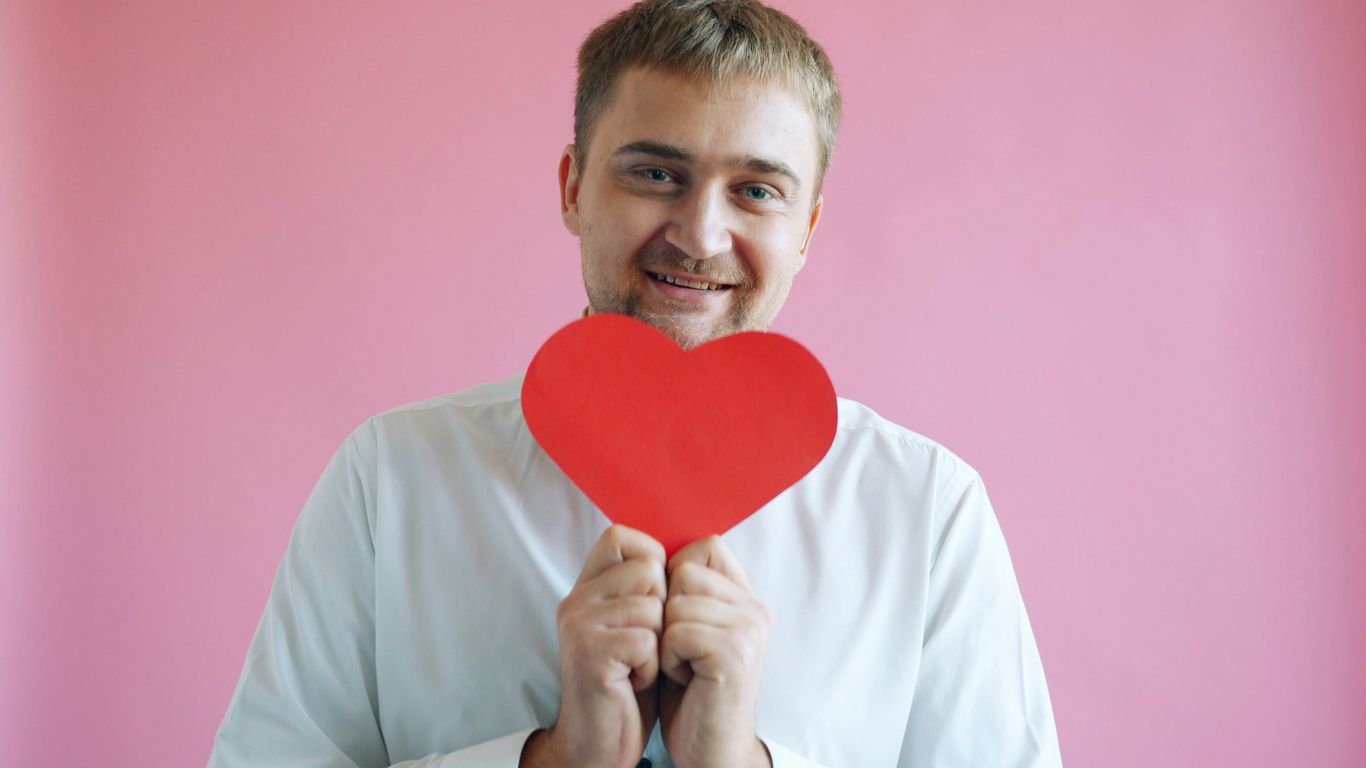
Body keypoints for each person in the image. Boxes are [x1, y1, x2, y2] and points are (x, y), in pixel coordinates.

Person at [208, 1, 1062, 766]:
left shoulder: (928, 509)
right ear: (574, 188)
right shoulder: (390, 479)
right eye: (656, 174)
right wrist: (554, 762)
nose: (700, 234)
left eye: (756, 190)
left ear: (806, 230)